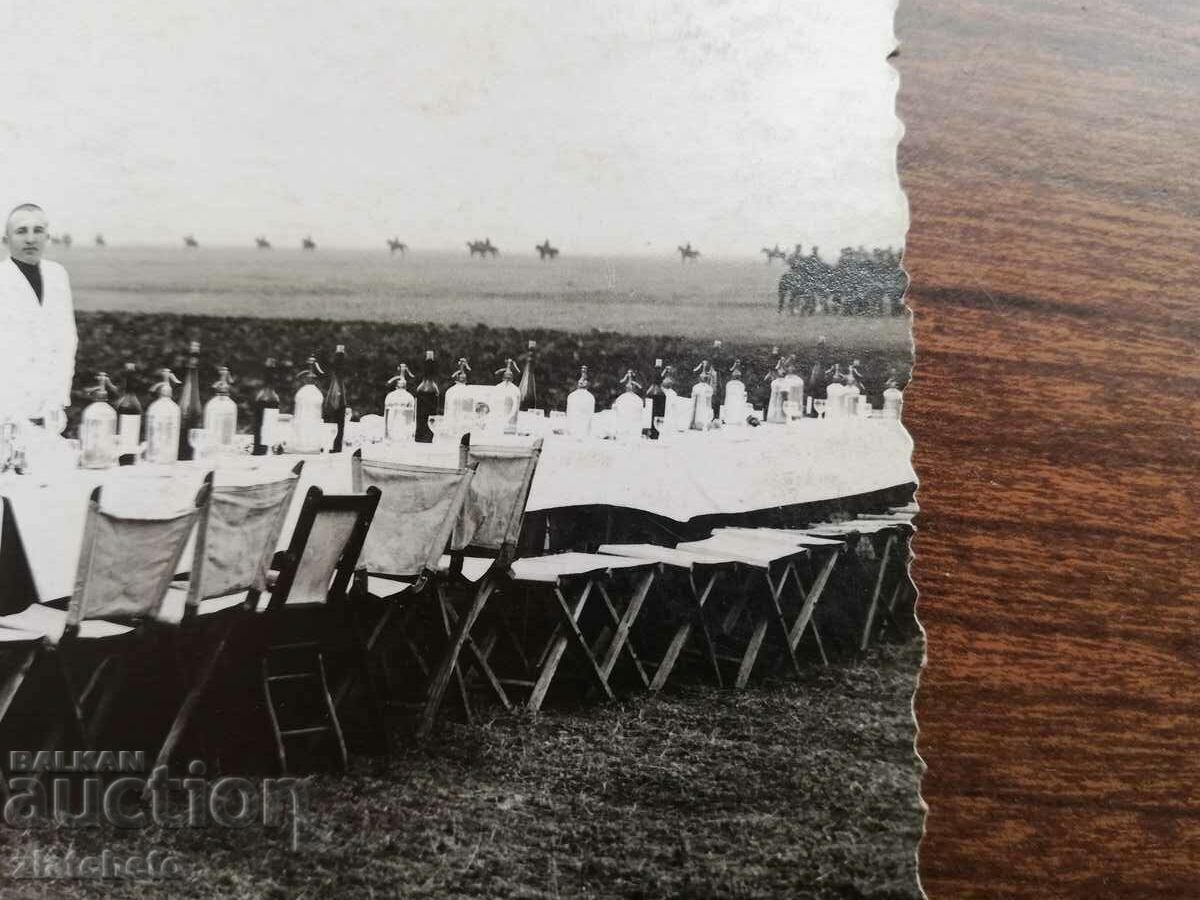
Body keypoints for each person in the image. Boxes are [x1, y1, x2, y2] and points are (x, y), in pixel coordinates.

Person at [0, 204, 78, 424]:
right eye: (21, 231)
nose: (31, 239)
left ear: (48, 237)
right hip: (6, 409)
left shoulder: (57, 275)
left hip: (49, 410)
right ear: (5, 240)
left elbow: (67, 339)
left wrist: (59, 398)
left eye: (38, 231)